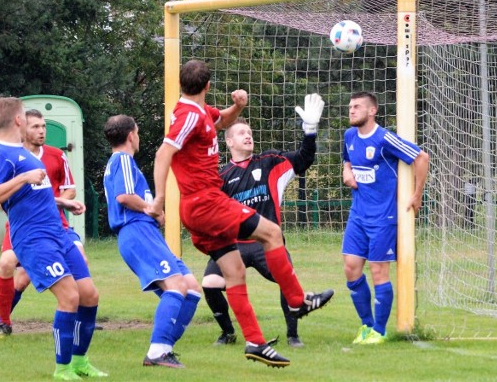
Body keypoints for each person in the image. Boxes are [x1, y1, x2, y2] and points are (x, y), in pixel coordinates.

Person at [147, 60, 334, 368]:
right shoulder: (187, 115)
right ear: (208, 86)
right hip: (206, 202)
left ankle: (256, 343)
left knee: (234, 273)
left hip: (197, 208)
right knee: (272, 233)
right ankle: (299, 302)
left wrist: (237, 106)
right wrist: (159, 201)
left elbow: (220, 120)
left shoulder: (199, 112)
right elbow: (164, 152)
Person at [0, 97, 106, 380]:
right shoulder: (0, 153)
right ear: (18, 120)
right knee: (70, 296)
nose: (33, 123)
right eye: (27, 117)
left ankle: (80, 362)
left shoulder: (28, 155)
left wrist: (63, 203)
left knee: (89, 295)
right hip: (34, 239)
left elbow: (34, 197)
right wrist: (24, 178)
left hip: (58, 232)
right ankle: (62, 369)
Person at [203, 95, 322, 349]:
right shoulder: (221, 176)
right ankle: (228, 333)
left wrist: (310, 132)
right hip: (233, 244)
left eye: (250, 132)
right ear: (229, 141)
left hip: (265, 242)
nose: (248, 135)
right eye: (241, 132)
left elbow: (303, 159)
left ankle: (293, 335)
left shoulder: (270, 162)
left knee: (285, 278)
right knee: (210, 283)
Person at [103, 114, 201, 369]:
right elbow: (124, 197)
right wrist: (153, 208)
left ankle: (164, 348)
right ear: (131, 135)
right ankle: (158, 352)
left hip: (143, 233)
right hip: (136, 232)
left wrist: (152, 213)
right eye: (137, 132)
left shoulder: (122, 163)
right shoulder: (123, 160)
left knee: (190, 287)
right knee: (176, 285)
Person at [0, 109, 91, 338]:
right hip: (23, 226)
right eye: (35, 126)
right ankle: (3, 322)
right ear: (22, 128)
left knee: (80, 257)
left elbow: (70, 189)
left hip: (57, 224)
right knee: (8, 265)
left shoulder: (57, 155)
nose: (41, 131)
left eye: (43, 126)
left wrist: (52, 205)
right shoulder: (13, 158)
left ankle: (82, 317)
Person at [342, 91, 430, 345]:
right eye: (350, 107)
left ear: (372, 111)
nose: (351, 110)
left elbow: (421, 157)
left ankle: (379, 331)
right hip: (358, 216)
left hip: (383, 217)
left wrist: (417, 193)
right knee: (350, 268)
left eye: (357, 106)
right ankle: (366, 327)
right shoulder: (349, 136)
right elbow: (347, 160)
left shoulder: (385, 139)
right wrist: (347, 172)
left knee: (378, 270)